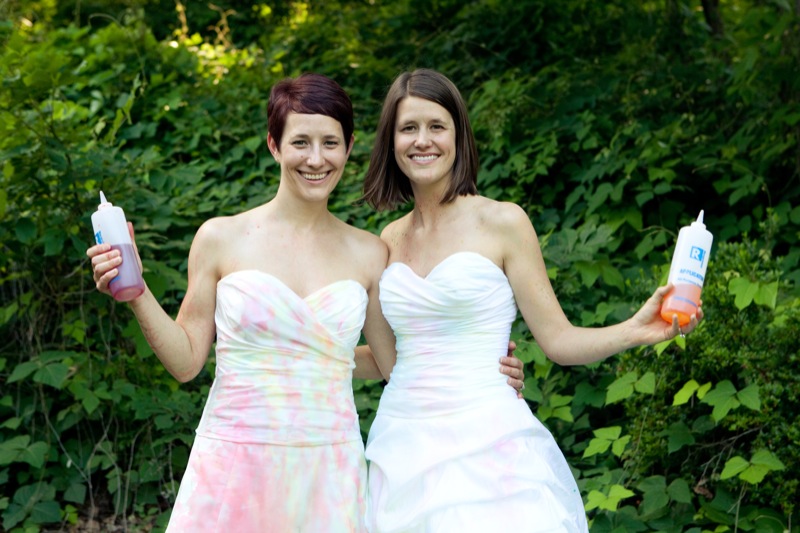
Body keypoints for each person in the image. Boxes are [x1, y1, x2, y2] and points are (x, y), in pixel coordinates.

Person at [87, 73, 524, 532]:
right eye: (300, 142)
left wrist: (484, 369)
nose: (316, 159)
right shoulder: (220, 238)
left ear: (349, 147)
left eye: (330, 143)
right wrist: (137, 294)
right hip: (234, 463)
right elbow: (186, 362)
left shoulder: (369, 253)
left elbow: (395, 363)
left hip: (328, 473)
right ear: (274, 145)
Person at [361, 68, 704, 532]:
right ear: (391, 141)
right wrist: (299, 354)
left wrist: (635, 330)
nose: (423, 140)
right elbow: (389, 359)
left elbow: (558, 341)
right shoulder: (388, 239)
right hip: (405, 444)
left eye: (436, 126)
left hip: (487, 440)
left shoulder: (503, 222)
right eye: (408, 128)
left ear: (459, 136)